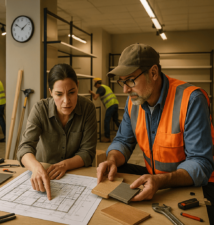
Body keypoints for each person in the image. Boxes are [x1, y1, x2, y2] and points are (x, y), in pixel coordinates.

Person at [96, 43, 214, 222]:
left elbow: (200, 163)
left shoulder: (191, 100)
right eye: (122, 81)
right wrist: (111, 160)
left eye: (130, 80)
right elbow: (123, 141)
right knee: (116, 168)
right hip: (156, 178)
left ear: (153, 72)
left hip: (200, 184)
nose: (125, 89)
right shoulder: (133, 102)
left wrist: (160, 181)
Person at [17, 63, 97, 200]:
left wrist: (65, 164)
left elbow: (87, 152)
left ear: (77, 86)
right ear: (50, 92)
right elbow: (25, 147)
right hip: (44, 172)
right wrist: (36, 167)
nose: (66, 101)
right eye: (59, 94)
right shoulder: (40, 109)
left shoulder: (88, 108)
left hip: (76, 173)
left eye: (72, 92)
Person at [89, 78, 120, 142]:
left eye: (95, 85)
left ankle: (107, 137)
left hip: (110, 105)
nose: (95, 87)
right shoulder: (105, 87)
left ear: (97, 84)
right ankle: (125, 132)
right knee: (115, 120)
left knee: (106, 121)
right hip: (115, 104)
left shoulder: (100, 88)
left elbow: (95, 98)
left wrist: (91, 93)